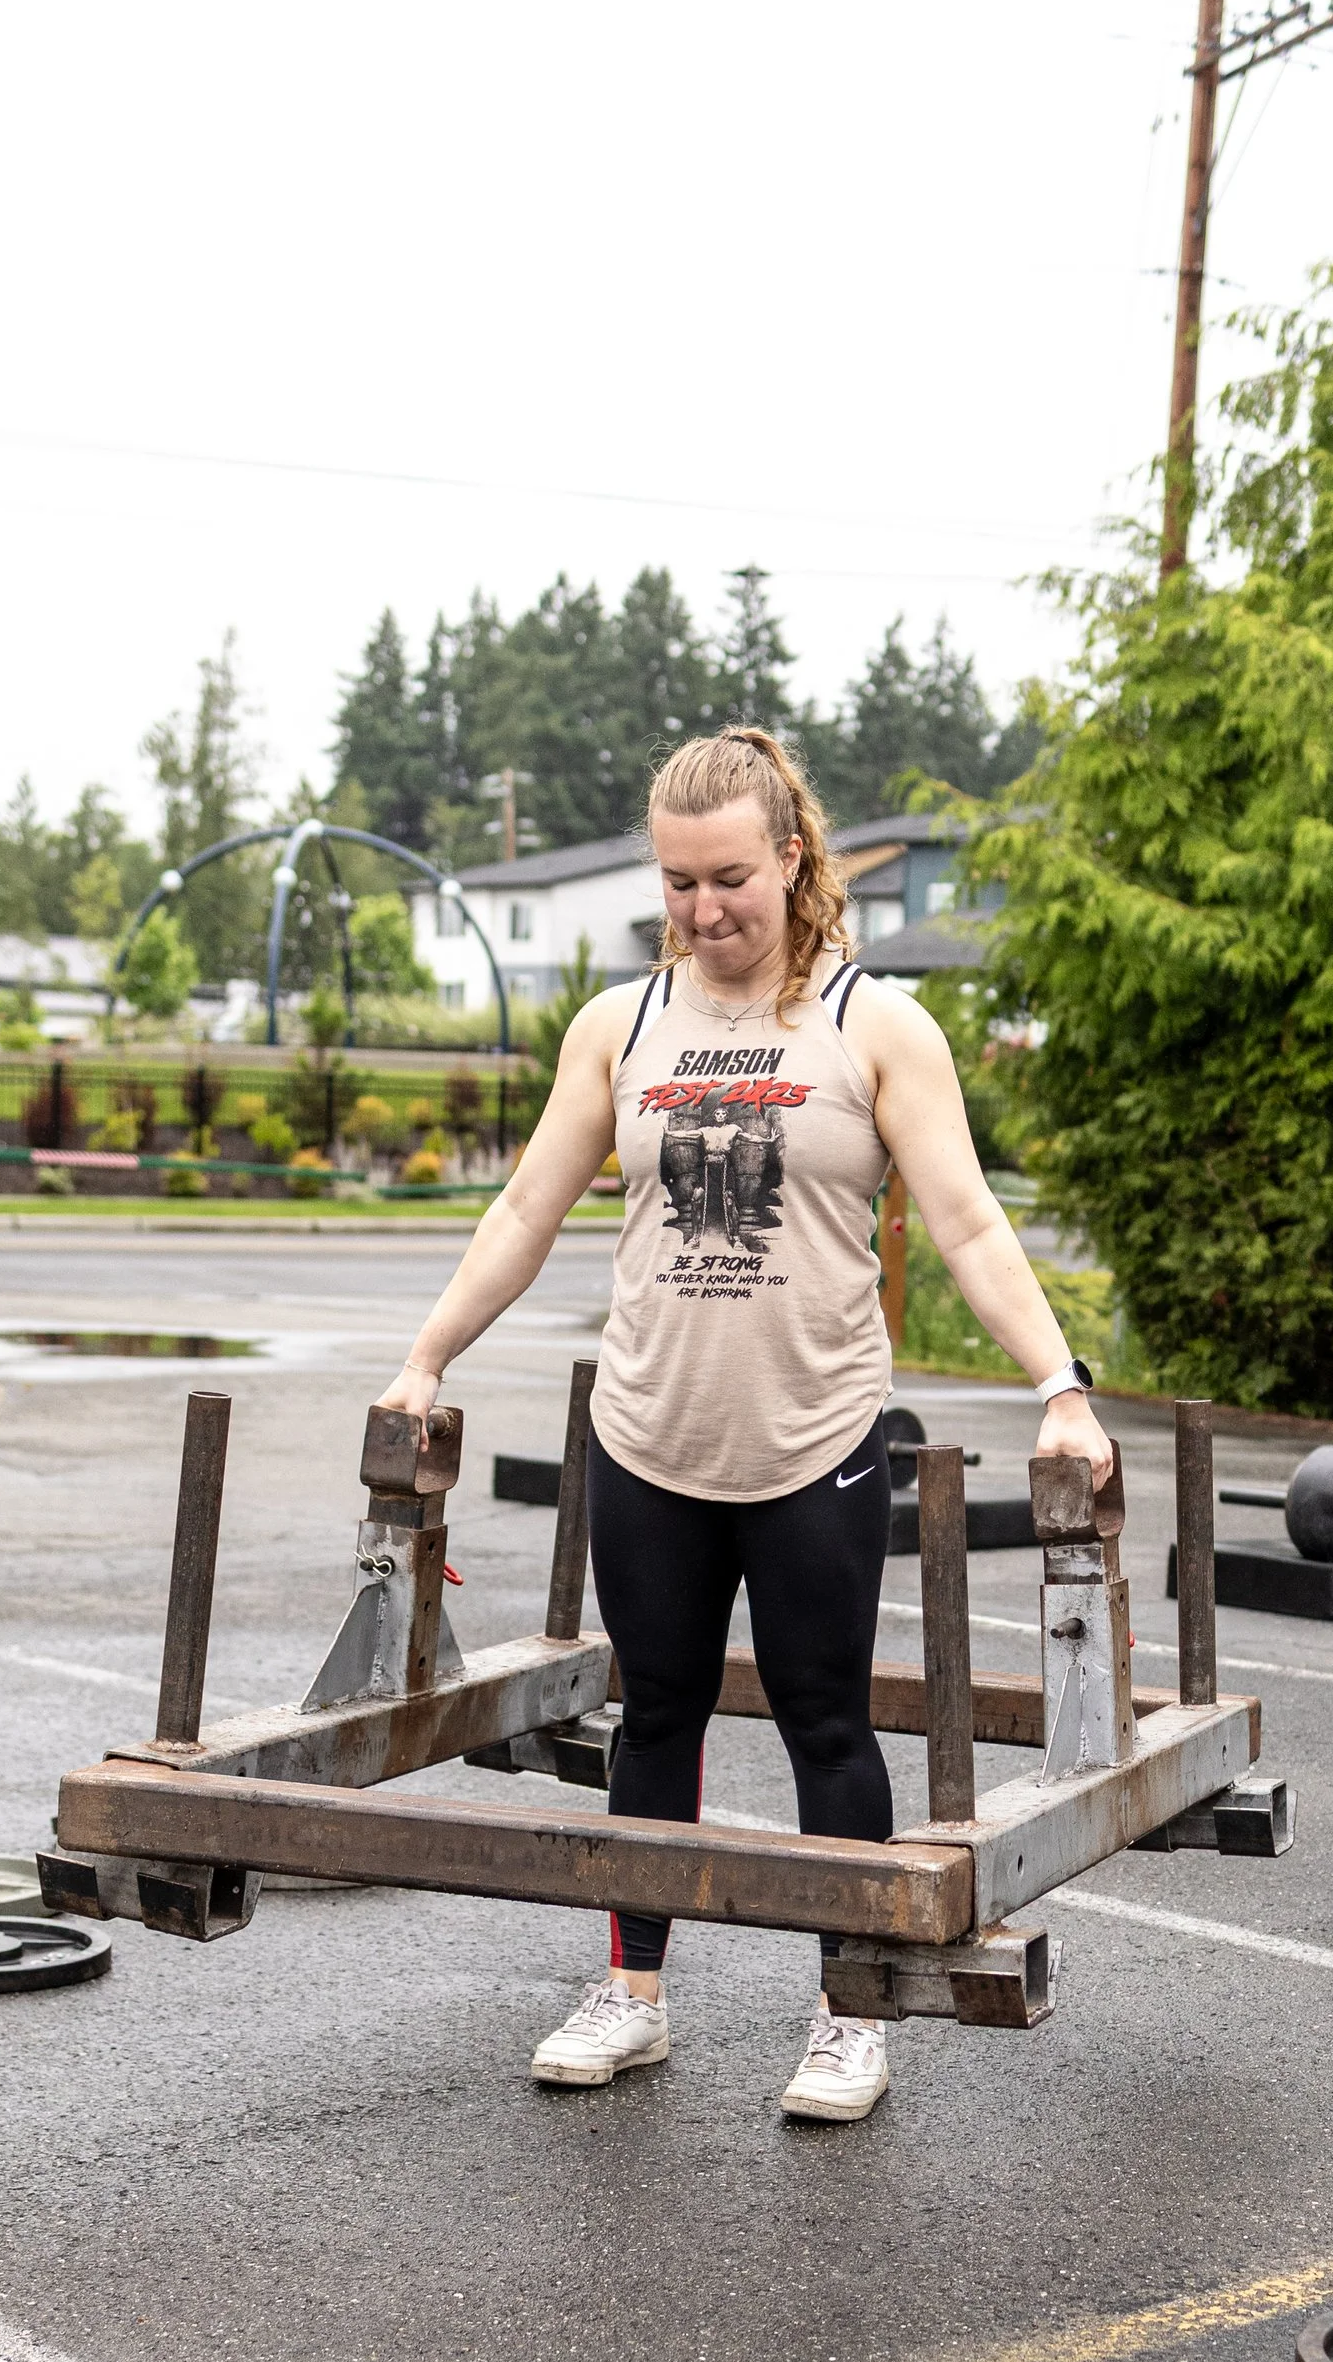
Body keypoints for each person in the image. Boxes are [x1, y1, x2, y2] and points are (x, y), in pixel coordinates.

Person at [375, 726, 1114, 2124]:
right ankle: (634, 1992)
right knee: (654, 1710)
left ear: (791, 856)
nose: (706, 910)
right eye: (678, 884)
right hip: (649, 1436)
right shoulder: (623, 1026)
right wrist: (425, 1357)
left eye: (731, 878)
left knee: (828, 1720)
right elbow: (526, 1208)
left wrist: (1058, 1385)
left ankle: (849, 2009)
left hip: (814, 1440)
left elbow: (964, 1217)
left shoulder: (873, 1025)